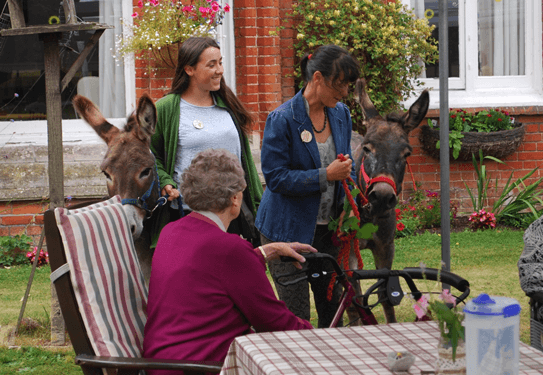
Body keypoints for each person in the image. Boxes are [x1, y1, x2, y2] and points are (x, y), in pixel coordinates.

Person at [143, 149, 315, 371]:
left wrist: (262, 253)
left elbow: (205, 273)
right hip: (201, 367)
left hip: (160, 362)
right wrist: (322, 337)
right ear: (235, 199)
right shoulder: (230, 250)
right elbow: (274, 322)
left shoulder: (170, 232)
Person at [255, 45, 360, 328]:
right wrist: (325, 174)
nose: (345, 93)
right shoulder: (283, 119)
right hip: (286, 231)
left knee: (332, 310)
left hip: (327, 232)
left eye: (349, 86)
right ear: (317, 79)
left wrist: (347, 184)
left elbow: (343, 166)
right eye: (340, 85)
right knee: (295, 316)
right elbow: (276, 178)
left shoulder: (341, 114)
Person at [149, 36, 262, 248]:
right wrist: (165, 181)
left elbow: (244, 160)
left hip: (232, 215)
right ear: (189, 69)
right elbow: (149, 154)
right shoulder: (166, 108)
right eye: (211, 65)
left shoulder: (228, 104)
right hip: (189, 215)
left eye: (220, 62)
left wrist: (256, 202)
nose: (219, 70)